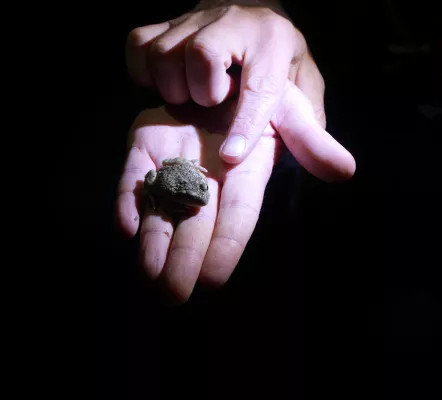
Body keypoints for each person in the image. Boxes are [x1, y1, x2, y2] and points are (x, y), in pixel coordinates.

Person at [115, 0, 356, 304]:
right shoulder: (176, 192)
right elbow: (162, 187)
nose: (198, 198)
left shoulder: (195, 179)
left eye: (198, 191)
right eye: (193, 197)